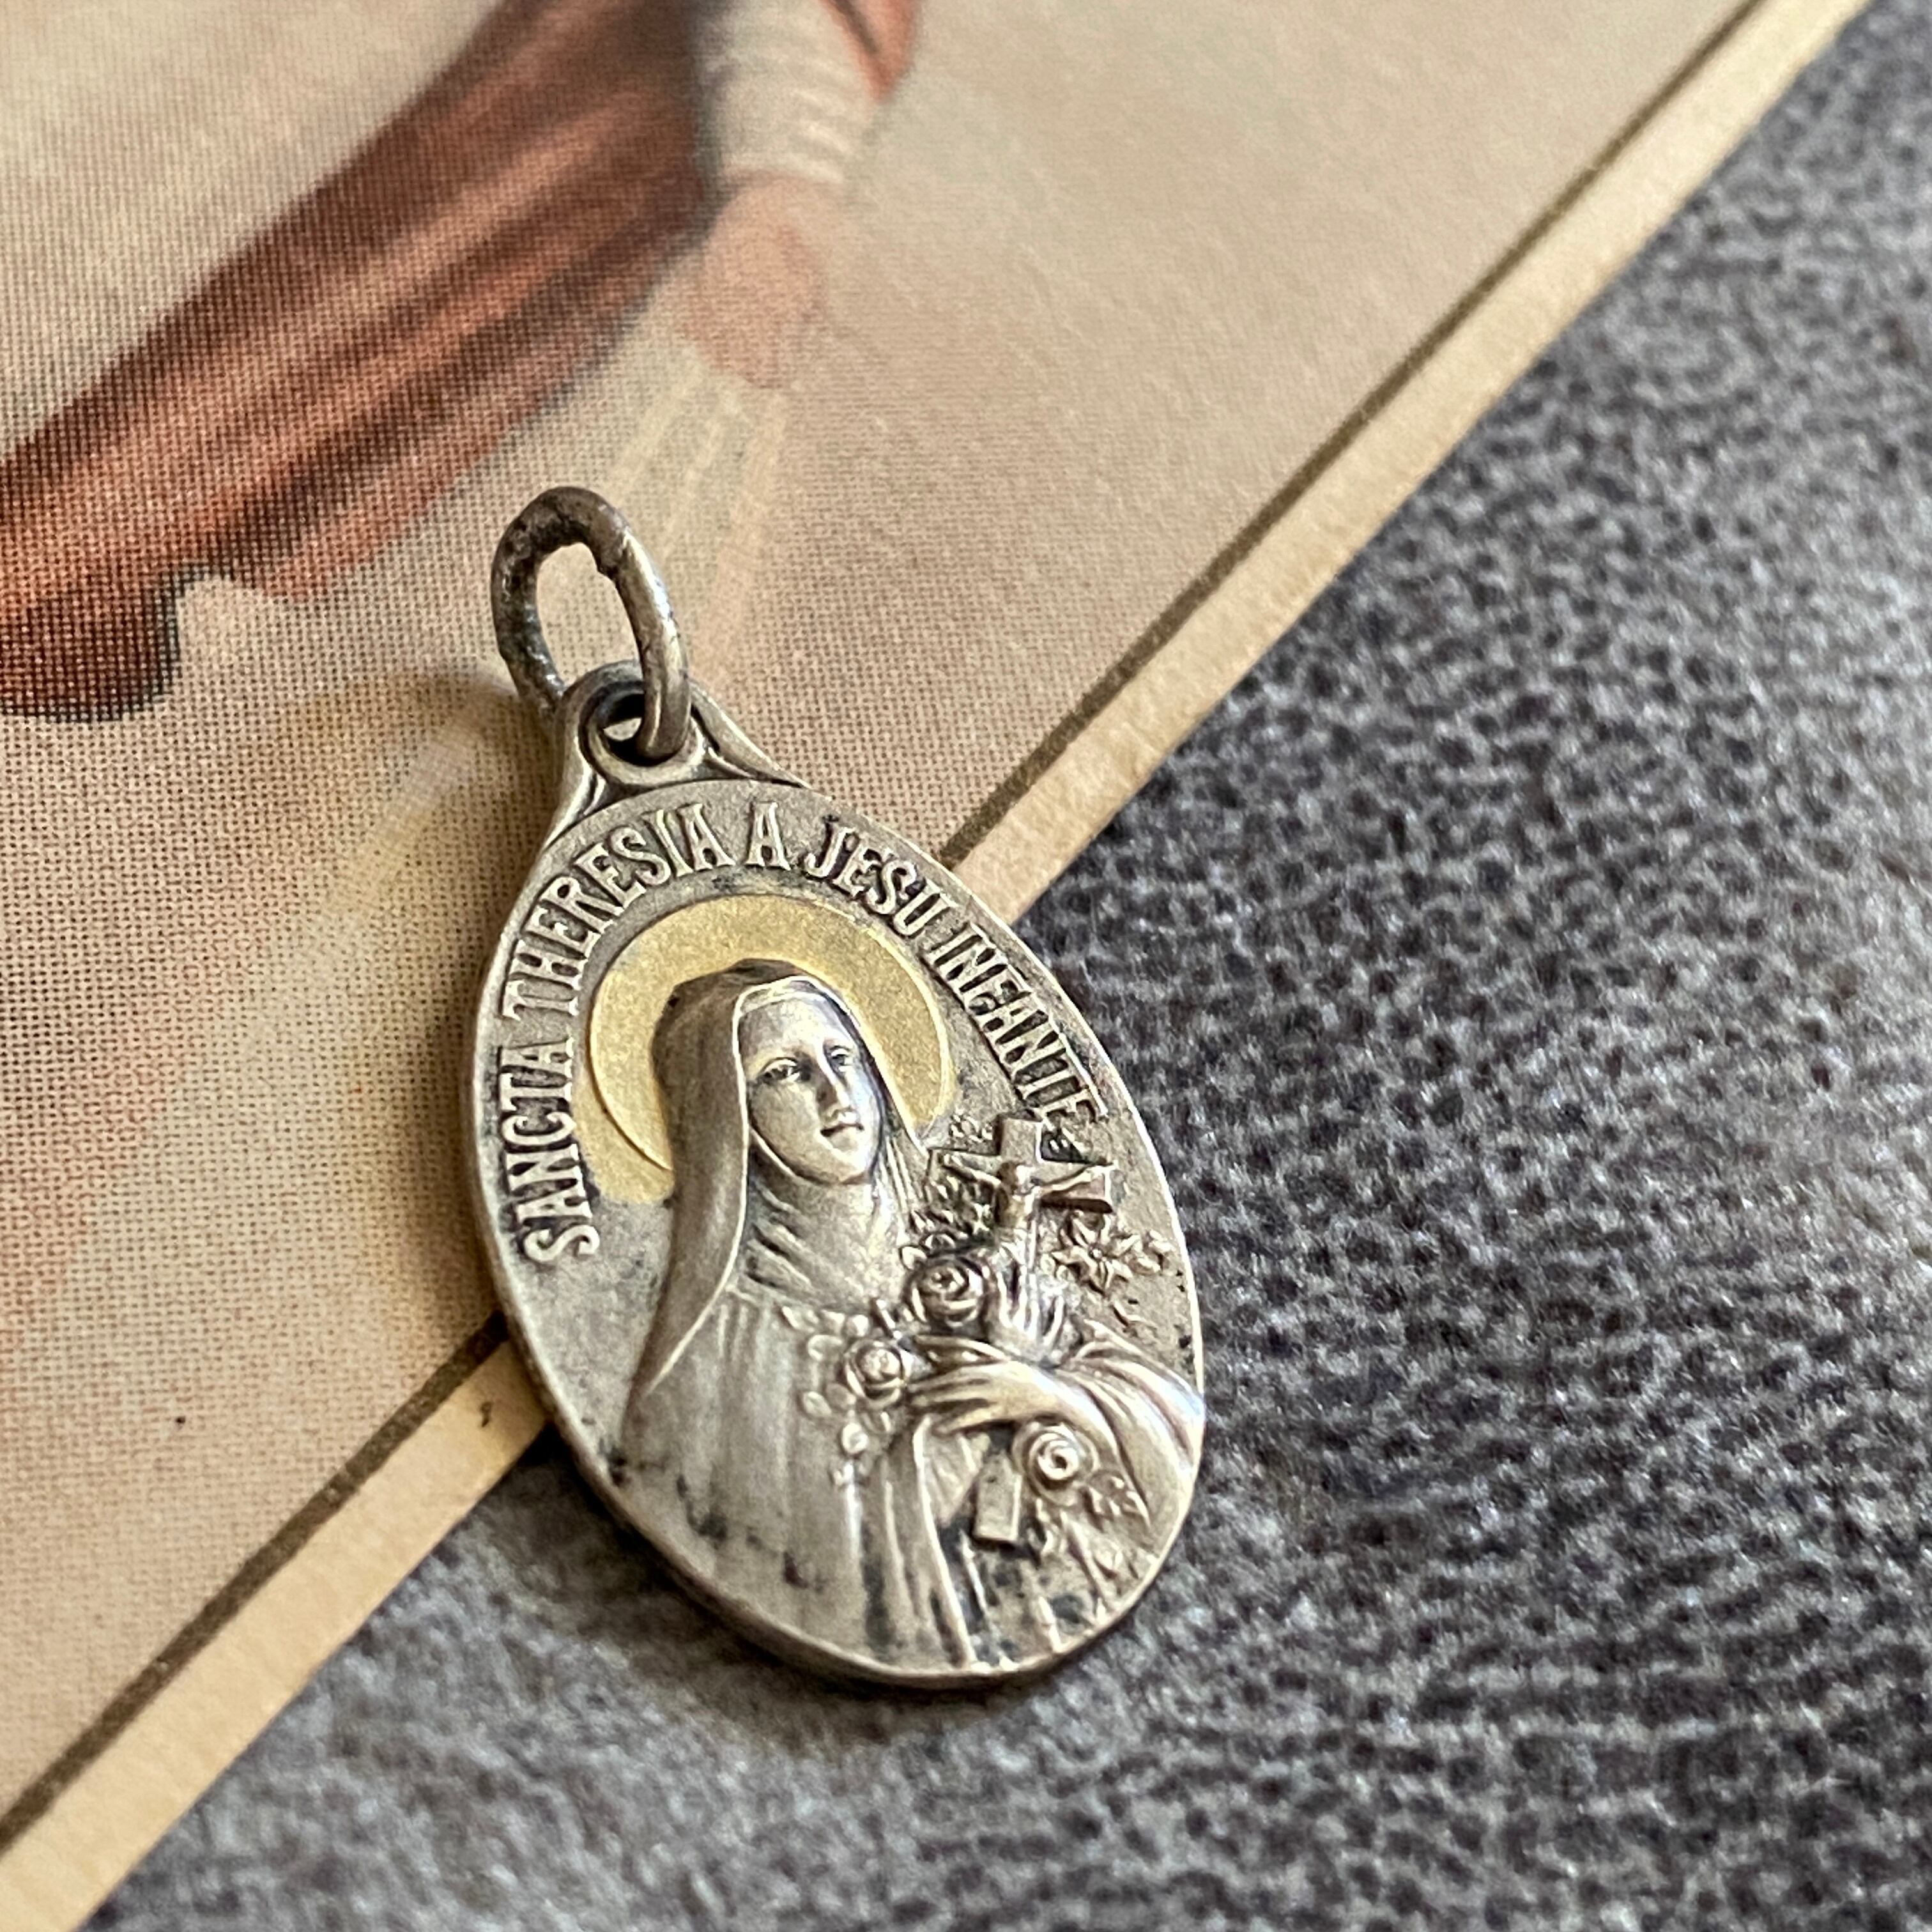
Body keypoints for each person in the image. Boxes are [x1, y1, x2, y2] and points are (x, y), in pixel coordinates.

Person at [621, 958, 1203, 1675]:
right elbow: (812, 1573)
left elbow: (1169, 1417)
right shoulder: (723, 1356)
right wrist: (976, 1415)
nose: (834, 1091)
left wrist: (1046, 1393)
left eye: (842, 1058)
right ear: (728, 1116)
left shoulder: (980, 1263)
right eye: (785, 1073)